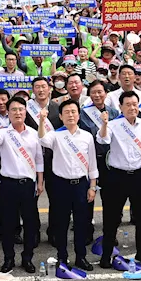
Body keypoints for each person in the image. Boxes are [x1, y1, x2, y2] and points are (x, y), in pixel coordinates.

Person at [97, 90, 141, 268]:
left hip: (139, 175)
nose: (132, 108)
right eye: (128, 105)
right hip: (117, 176)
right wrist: (104, 124)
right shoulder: (114, 125)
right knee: (111, 217)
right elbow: (102, 140)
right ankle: (106, 255)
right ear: (120, 107)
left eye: (135, 104)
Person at [38, 98, 98, 270]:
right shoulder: (55, 135)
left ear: (78, 115)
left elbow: (92, 164)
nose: (70, 115)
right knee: (61, 224)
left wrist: (92, 186)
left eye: (73, 112)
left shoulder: (87, 136)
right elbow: (42, 139)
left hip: (81, 185)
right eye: (67, 112)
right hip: (60, 185)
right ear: (61, 117)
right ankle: (62, 257)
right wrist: (42, 120)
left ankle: (81, 257)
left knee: (81, 223)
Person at [0, 97, 45, 273]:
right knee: (8, 224)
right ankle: (8, 258)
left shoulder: (34, 134)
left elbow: (39, 160)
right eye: (13, 110)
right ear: (9, 113)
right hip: (8, 185)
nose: (17, 113)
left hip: (28, 185)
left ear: (25, 111)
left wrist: (40, 181)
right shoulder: (4, 133)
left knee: (29, 224)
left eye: (21, 109)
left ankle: (27, 258)